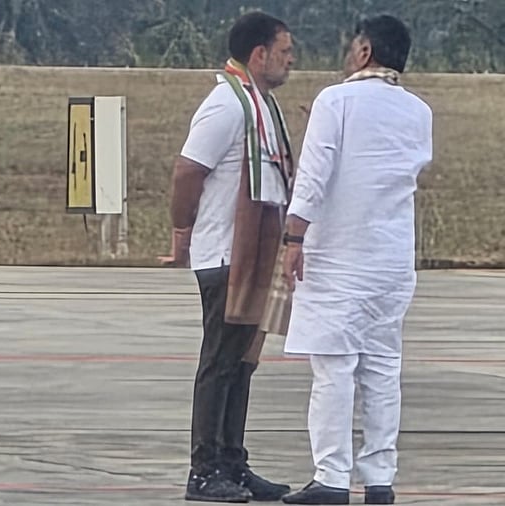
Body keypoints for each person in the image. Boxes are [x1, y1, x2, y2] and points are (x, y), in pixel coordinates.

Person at [278, 14, 434, 506]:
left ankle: (332, 477)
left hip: (340, 257)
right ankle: (380, 478)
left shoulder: (336, 100)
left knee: (334, 369)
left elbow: (315, 175)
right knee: (383, 369)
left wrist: (292, 236)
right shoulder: (419, 111)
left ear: (365, 51)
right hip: (391, 259)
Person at [167, 10, 296, 503]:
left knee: (243, 362)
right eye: (284, 52)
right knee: (220, 361)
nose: (290, 62)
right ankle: (203, 470)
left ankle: (232, 461)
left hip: (251, 255)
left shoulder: (260, 106)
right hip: (225, 254)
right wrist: (183, 229)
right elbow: (186, 171)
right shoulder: (228, 104)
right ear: (258, 54)